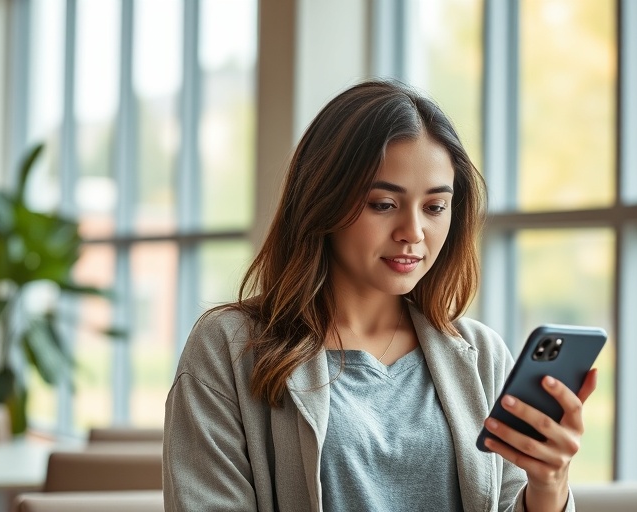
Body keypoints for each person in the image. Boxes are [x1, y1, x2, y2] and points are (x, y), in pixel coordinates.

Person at [163, 79, 597, 512]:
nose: (413, 232)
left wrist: (548, 487)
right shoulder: (230, 348)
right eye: (383, 204)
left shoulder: (482, 355)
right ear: (323, 201)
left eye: (434, 207)